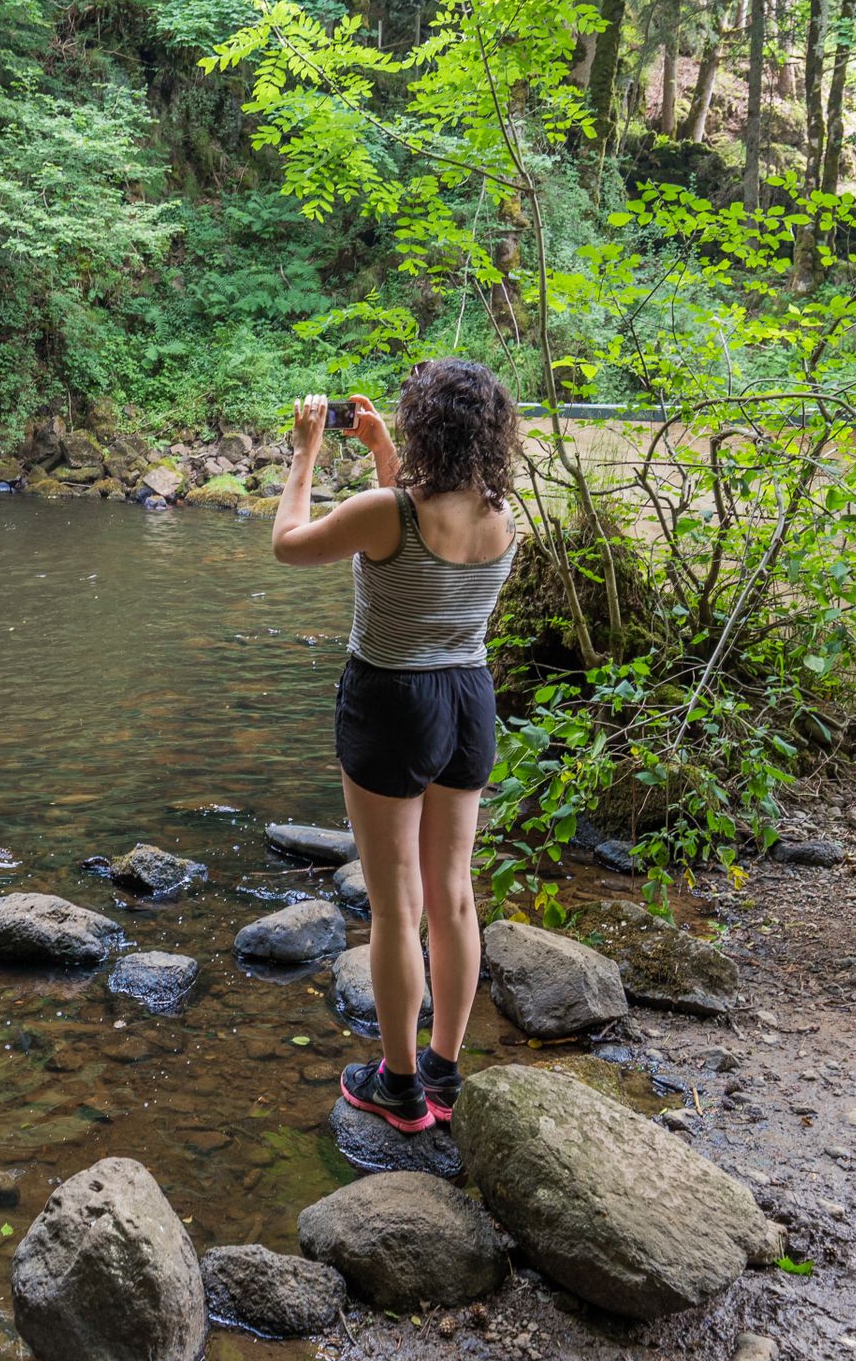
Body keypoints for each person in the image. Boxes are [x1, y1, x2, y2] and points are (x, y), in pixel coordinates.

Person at [270, 357, 521, 1133]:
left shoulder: (385, 511)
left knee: (394, 908)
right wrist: (383, 453)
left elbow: (291, 543)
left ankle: (400, 1087)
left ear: (428, 428)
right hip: (468, 700)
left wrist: (306, 453)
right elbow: (421, 536)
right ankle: (444, 1071)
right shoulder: (500, 514)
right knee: (452, 896)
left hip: (392, 701)